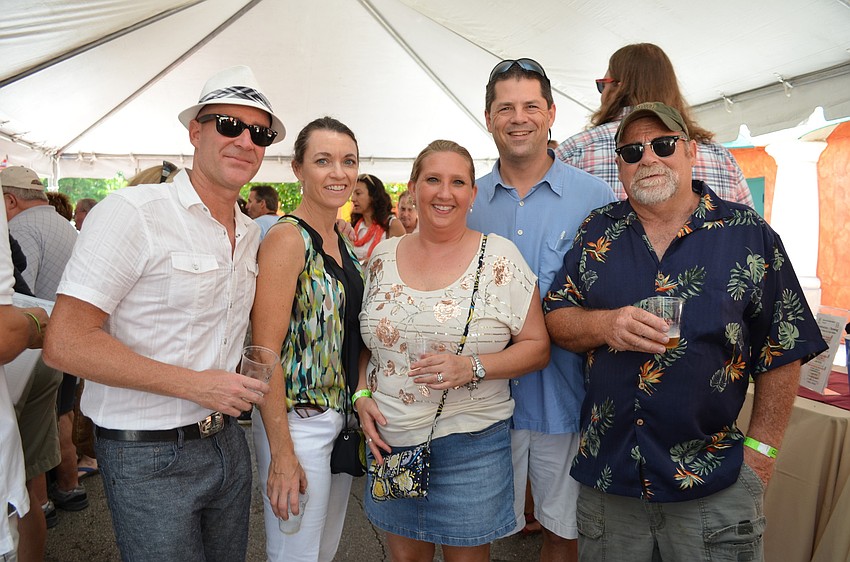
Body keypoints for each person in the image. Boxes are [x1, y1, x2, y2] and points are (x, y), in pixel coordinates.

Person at [543, 102, 827, 561]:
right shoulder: (598, 231)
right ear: (620, 165)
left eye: (663, 145)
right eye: (632, 151)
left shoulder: (746, 233)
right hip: (611, 484)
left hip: (712, 483)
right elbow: (557, 316)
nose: (648, 158)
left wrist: (761, 455)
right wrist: (605, 324)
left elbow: (784, 347)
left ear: (691, 151)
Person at [43, 64, 278, 561]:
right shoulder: (134, 211)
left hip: (226, 444)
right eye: (229, 125)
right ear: (195, 131)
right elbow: (65, 341)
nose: (245, 141)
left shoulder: (249, 232)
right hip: (146, 452)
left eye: (259, 133)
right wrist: (195, 385)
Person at [356, 139, 551, 562]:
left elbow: (538, 348)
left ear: (472, 193)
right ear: (413, 188)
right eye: (433, 180)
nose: (445, 193)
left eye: (458, 182)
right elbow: (370, 340)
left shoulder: (500, 258)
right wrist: (361, 394)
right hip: (391, 442)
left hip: (471, 445)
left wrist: (472, 366)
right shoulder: (382, 256)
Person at [467, 58, 616, 562]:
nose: (518, 118)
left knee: (562, 532)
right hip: (481, 402)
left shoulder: (595, 197)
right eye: (505, 107)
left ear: (551, 114)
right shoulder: (467, 201)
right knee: (473, 535)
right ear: (489, 118)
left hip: (567, 400)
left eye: (531, 106)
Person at [250, 117, 363, 562]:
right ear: (298, 168)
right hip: (297, 423)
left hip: (339, 420)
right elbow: (263, 353)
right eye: (323, 161)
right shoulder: (287, 239)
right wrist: (282, 453)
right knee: (294, 554)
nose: (339, 172)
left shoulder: (341, 240)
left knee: (322, 552)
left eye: (348, 161)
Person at [556, 43, 754, 207]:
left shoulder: (576, 151)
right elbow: (749, 231)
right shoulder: (722, 158)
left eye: (603, 84)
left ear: (617, 86)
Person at [2, 165, 78, 555]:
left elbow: (16, 296)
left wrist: (32, 324)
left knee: (21, 470)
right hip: (57, 341)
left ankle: (56, 495)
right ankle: (65, 489)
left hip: (27, 346)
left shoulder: (20, 227)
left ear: (9, 199)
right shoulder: (65, 225)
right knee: (55, 426)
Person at [0, 196, 49, 562]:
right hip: (35, 347)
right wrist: (35, 321)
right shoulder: (55, 225)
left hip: (27, 352)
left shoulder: (23, 226)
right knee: (31, 476)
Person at [349, 173, 405, 263]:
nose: (353, 199)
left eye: (358, 193)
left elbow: (403, 257)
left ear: (373, 196)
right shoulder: (354, 226)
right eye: (353, 194)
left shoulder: (392, 224)